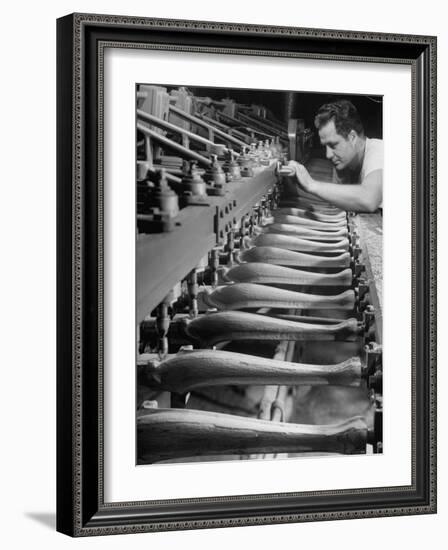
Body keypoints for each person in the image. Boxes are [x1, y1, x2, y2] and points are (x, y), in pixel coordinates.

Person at [288, 99, 383, 213]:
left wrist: (311, 184)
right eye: (325, 147)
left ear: (352, 137)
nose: (328, 155)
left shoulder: (380, 151)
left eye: (333, 145)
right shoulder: (353, 163)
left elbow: (369, 199)